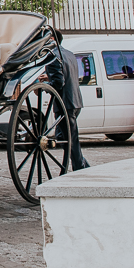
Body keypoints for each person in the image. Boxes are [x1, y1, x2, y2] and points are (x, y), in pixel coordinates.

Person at [45, 29, 89, 170]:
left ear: (51, 39)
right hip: (75, 100)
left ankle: (80, 168)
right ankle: (83, 165)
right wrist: (49, 77)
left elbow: (58, 83)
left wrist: (44, 86)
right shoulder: (69, 54)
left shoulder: (51, 55)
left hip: (64, 102)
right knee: (64, 138)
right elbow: (68, 74)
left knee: (70, 140)